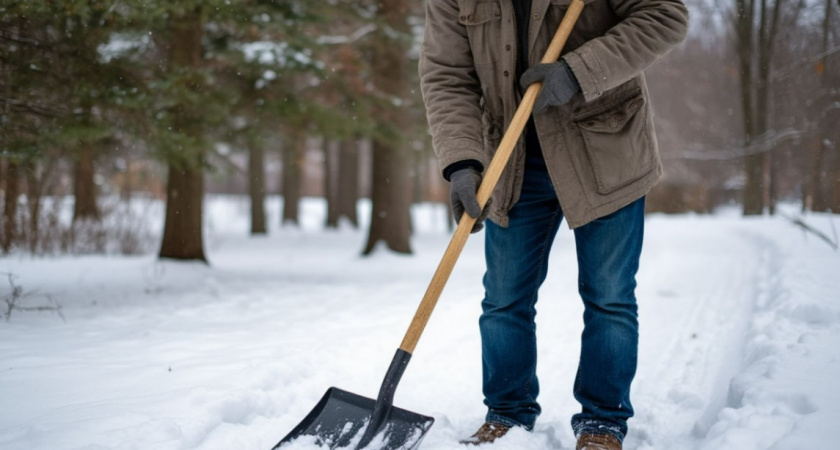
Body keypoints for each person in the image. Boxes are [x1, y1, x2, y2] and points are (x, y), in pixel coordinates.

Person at [419, 1, 688, 449]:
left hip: (605, 150)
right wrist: (462, 160)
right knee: (504, 299)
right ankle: (507, 414)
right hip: (512, 158)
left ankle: (602, 423)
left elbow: (664, 17)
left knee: (609, 296)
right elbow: (447, 74)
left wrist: (578, 71)